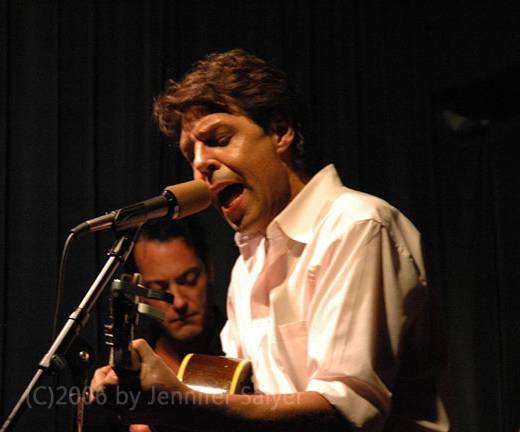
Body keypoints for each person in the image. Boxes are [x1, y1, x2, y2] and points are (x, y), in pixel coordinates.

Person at [91, 48, 449, 431]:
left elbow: (344, 412)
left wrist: (181, 403)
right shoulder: (250, 261)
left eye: (219, 138)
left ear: (280, 131)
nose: (200, 164)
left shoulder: (356, 227)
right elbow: (240, 403)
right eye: (189, 153)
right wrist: (153, 404)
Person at [86, 219, 223, 432]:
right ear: (139, 291)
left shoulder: (243, 342)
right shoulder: (128, 366)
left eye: (188, 280)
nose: (178, 302)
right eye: (160, 290)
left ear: (209, 269)